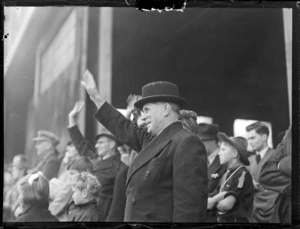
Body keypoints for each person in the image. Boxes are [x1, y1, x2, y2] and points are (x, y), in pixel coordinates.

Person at [81, 70, 208, 222]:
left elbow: (189, 209)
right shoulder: (152, 140)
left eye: (147, 110)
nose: (143, 116)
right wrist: (95, 97)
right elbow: (123, 127)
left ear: (166, 109)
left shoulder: (187, 142)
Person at [68, 101, 127, 221]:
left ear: (111, 144)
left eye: (101, 143)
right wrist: (71, 119)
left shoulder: (119, 167)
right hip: (84, 214)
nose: (96, 146)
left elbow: (117, 204)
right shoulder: (96, 160)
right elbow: (80, 144)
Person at [207, 132, 254, 223]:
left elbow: (225, 205)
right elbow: (208, 202)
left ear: (234, 153)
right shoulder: (226, 173)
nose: (219, 153)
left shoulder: (242, 174)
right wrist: (220, 196)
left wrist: (215, 199)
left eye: (223, 150)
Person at [245, 121, 278, 223]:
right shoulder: (249, 160)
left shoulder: (277, 156)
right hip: (251, 212)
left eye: (253, 138)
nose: (250, 142)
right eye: (248, 139)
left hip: (270, 211)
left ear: (264, 137)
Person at [259, 126, 291, 223]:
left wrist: (283, 164)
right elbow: (266, 174)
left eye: (252, 138)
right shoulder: (289, 135)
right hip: (285, 211)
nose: (250, 142)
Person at [49, 156, 94, 221]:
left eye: (72, 173)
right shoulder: (91, 188)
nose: (70, 177)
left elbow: (53, 209)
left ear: (85, 173)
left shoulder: (70, 187)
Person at [4, 155, 29, 221]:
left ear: (22, 171)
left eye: (14, 169)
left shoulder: (23, 186)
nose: (11, 170)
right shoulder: (14, 183)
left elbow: (14, 207)